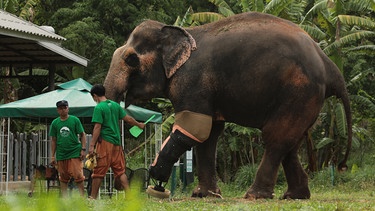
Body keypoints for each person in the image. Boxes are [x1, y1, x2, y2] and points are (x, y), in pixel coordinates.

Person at [88, 84, 145, 199]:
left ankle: (93, 198)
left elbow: (97, 127)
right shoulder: (115, 105)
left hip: (105, 142)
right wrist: (139, 124)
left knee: (98, 170)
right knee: (120, 171)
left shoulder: (99, 108)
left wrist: (92, 145)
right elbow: (127, 118)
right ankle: (129, 196)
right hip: (117, 144)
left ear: (95, 96)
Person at [49, 100, 87, 197]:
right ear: (57, 110)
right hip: (61, 153)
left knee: (78, 175)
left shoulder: (75, 120)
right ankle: (65, 199)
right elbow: (53, 140)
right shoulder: (55, 123)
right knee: (63, 177)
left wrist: (83, 149)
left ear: (68, 108)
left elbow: (82, 135)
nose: (63, 110)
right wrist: (52, 156)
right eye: (60, 108)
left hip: (74, 151)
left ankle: (82, 197)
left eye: (65, 107)